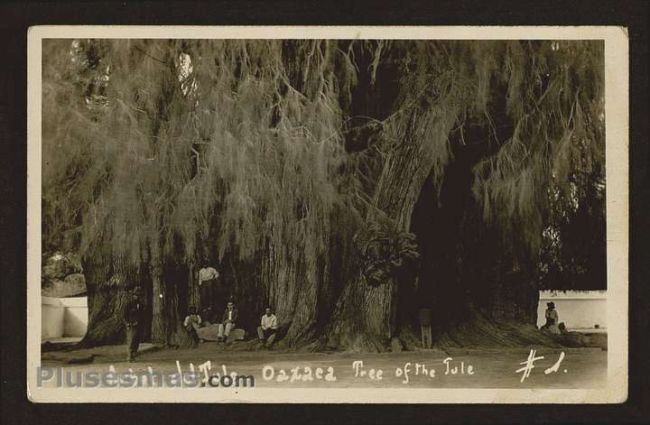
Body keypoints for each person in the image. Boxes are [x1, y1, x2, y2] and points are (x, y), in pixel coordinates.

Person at [124, 286, 143, 362]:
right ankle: (129, 357)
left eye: (138, 295)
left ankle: (134, 355)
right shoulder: (129, 304)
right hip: (131, 325)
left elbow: (142, 315)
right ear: (133, 295)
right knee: (131, 341)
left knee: (136, 341)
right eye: (136, 295)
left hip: (138, 325)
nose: (137, 297)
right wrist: (127, 323)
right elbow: (125, 315)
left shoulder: (140, 304)